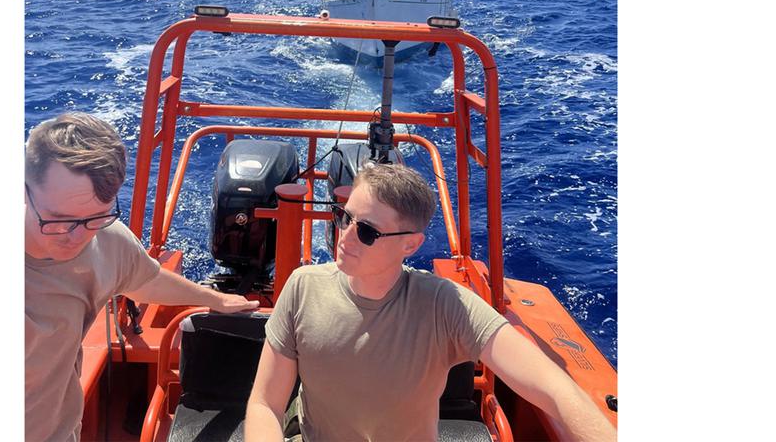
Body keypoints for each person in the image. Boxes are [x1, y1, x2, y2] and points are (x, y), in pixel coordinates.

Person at [244, 163, 616, 442]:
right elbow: (265, 403)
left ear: (411, 245)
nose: (345, 236)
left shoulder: (444, 305)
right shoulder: (303, 287)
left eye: (367, 231)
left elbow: (552, 387)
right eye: (344, 217)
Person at [25, 112, 258, 442]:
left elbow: (145, 279)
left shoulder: (107, 239)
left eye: (95, 218)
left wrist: (216, 299)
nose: (76, 237)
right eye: (59, 220)